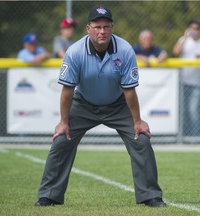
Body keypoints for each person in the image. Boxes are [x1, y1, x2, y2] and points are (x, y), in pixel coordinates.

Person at [35, 5, 165, 208]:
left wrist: (138, 121)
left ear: (112, 27)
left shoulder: (125, 50)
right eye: (97, 27)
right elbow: (67, 91)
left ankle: (150, 195)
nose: (102, 31)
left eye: (106, 26)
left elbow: (129, 91)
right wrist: (63, 122)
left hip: (117, 104)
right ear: (88, 28)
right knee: (61, 140)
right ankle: (48, 196)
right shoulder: (75, 52)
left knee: (141, 141)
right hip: (84, 104)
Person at [172, 19, 200, 136]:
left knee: (193, 110)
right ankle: (182, 136)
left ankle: (194, 137)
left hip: (197, 83)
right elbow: (176, 51)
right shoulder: (183, 40)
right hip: (182, 82)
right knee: (182, 110)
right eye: (192, 28)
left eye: (196, 29)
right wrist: (185, 37)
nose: (194, 31)